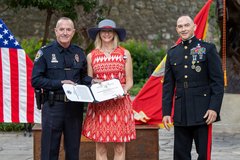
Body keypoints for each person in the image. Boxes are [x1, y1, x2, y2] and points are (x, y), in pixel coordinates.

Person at [162, 15, 224, 160]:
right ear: (177, 29)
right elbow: (168, 86)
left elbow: (217, 82)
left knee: (203, 153)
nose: (183, 29)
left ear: (194, 27)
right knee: (180, 153)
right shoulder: (172, 53)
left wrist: (214, 108)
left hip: (203, 110)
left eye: (186, 25)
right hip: (181, 110)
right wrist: (166, 112)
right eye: (180, 26)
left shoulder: (207, 49)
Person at [31, 17, 92, 160]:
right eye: (62, 29)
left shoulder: (79, 53)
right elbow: (36, 80)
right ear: (56, 31)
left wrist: (96, 82)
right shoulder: (45, 53)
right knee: (49, 149)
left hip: (74, 107)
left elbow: (83, 78)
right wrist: (60, 83)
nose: (65, 32)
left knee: (73, 149)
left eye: (68, 29)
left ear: (73, 32)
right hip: (53, 106)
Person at [82, 19, 136, 160]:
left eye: (109, 31)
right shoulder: (91, 56)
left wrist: (123, 91)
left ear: (114, 33)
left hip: (120, 104)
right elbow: (89, 81)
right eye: (103, 31)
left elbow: (129, 81)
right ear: (99, 34)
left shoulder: (125, 54)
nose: (106, 34)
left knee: (119, 146)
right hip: (100, 105)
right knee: (100, 146)